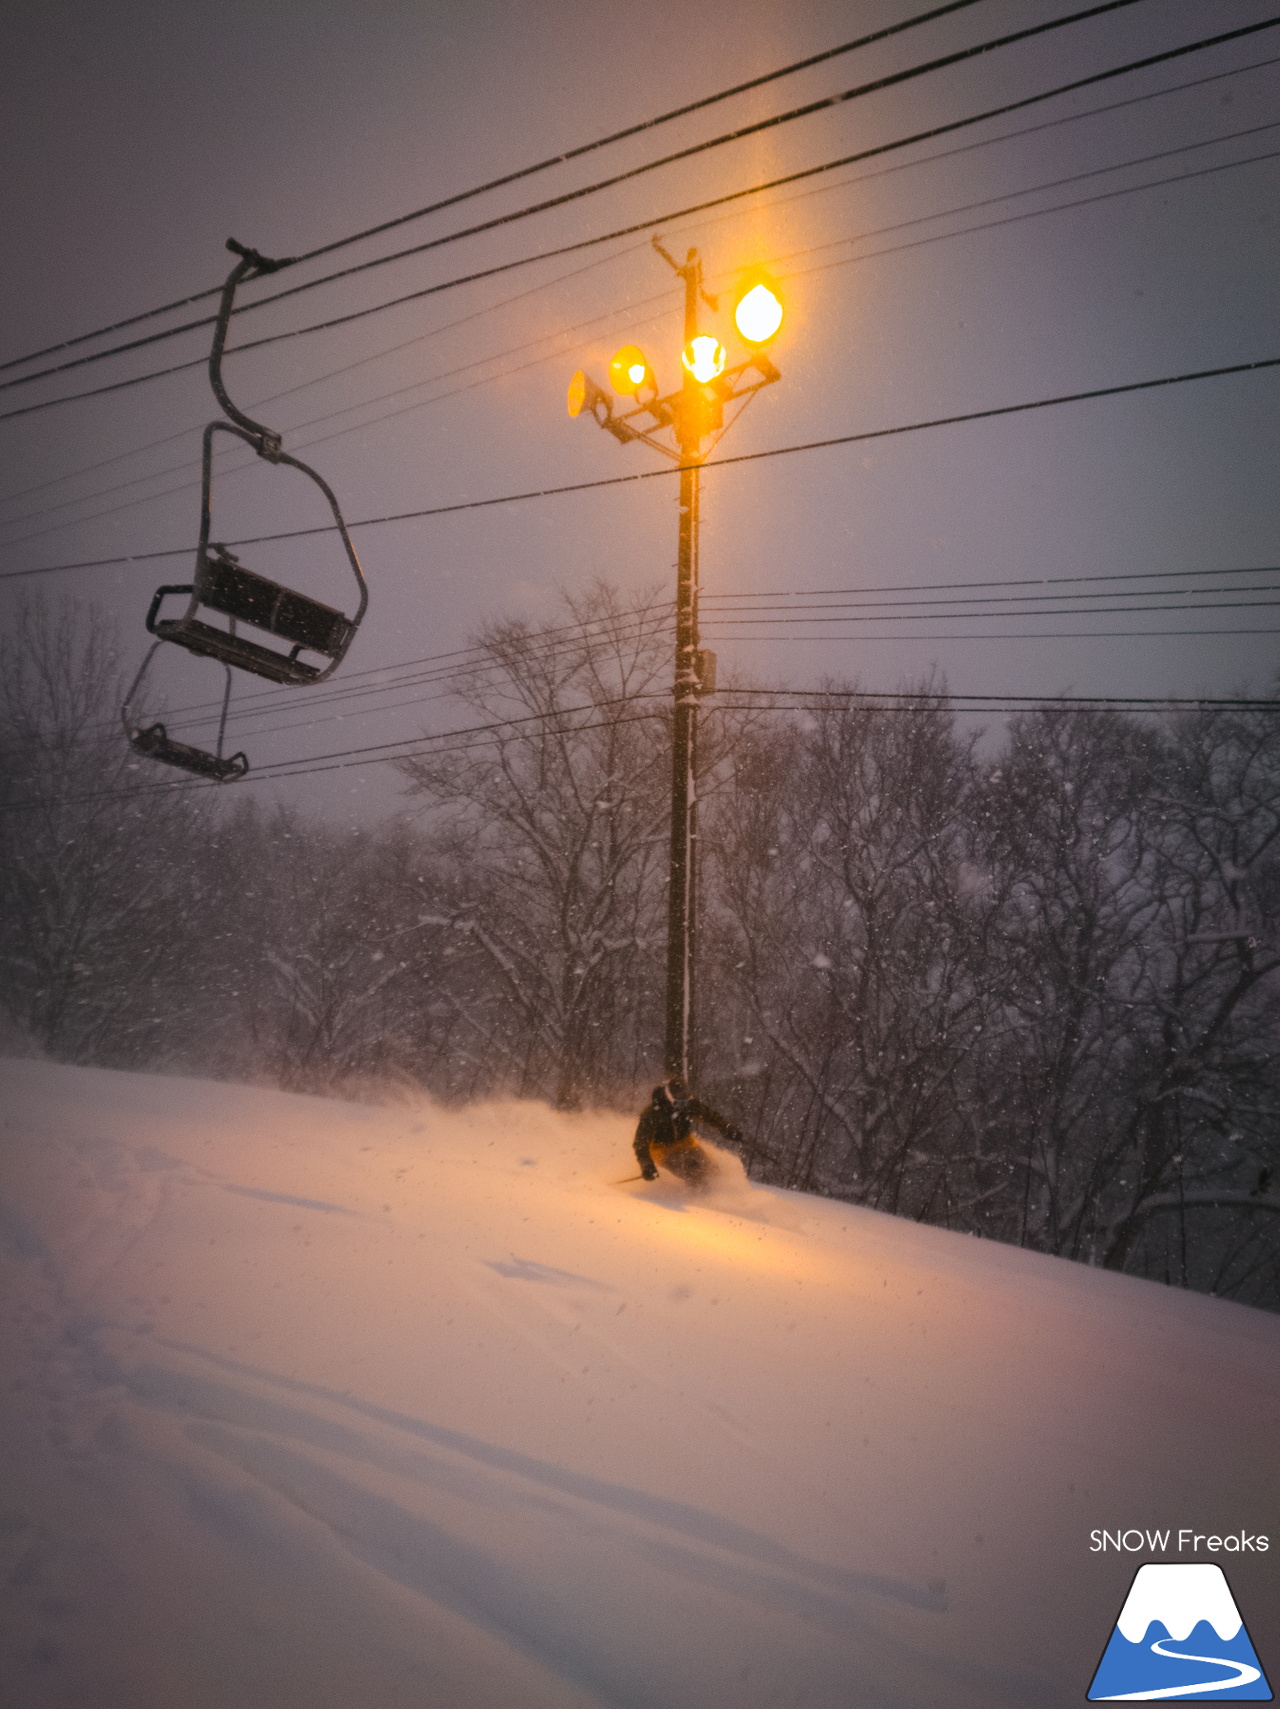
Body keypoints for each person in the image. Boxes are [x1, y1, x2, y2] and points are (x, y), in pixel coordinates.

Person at [633, 1077, 741, 1186]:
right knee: (694, 1172)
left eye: (685, 1101)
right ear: (669, 1097)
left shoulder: (688, 1105)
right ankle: (696, 1199)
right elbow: (640, 1144)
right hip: (662, 1150)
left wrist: (726, 1128)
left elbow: (710, 1116)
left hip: (686, 1144)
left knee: (712, 1170)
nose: (683, 1105)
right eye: (679, 1102)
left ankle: (720, 1194)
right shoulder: (651, 1114)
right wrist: (646, 1165)